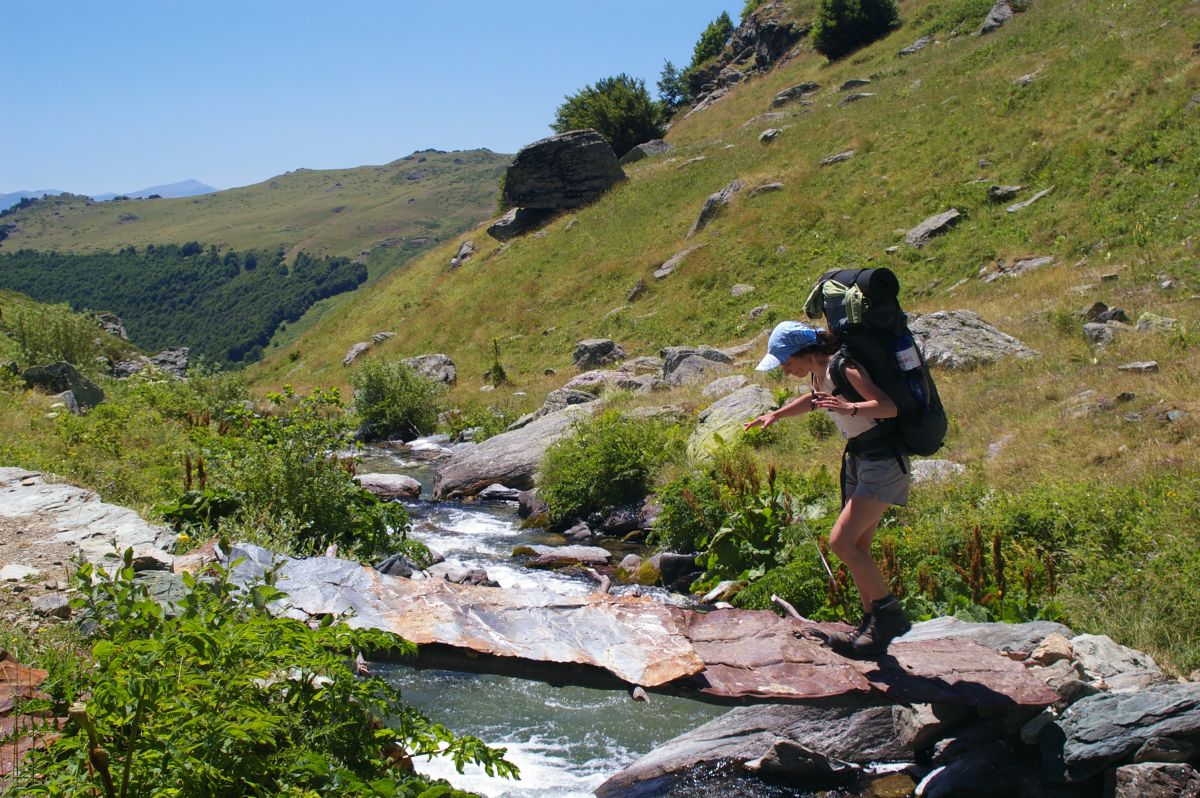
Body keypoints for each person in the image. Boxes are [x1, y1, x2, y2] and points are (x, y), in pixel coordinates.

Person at [744, 320, 911, 656]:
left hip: (883, 460)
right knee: (859, 545)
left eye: (788, 364)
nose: (787, 371)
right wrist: (776, 414)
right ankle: (871, 626)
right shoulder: (819, 374)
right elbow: (816, 400)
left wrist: (850, 407)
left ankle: (888, 614)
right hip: (860, 458)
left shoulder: (845, 367)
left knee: (841, 542)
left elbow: (889, 406)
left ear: (805, 352)